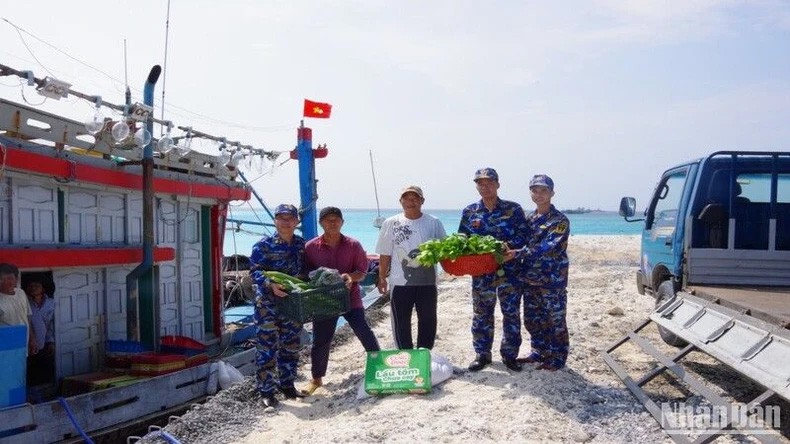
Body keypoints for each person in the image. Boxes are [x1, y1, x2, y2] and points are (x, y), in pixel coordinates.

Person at [301, 206, 380, 395]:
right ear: (321, 223)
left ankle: (380, 366)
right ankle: (316, 379)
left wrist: (351, 277)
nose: (333, 222)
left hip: (350, 298)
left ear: (342, 222)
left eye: (336, 219)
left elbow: (362, 271)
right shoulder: (310, 247)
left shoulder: (354, 245)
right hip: (324, 301)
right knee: (321, 340)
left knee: (363, 330)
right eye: (328, 219)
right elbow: (304, 274)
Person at [458, 168, 529, 372]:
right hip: (482, 273)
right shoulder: (470, 211)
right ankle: (482, 354)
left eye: (489, 183)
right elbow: (462, 239)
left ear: (498, 184)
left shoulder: (513, 209)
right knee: (482, 313)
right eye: (480, 183)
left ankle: (509, 355)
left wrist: (508, 247)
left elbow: (524, 235)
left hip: (510, 271)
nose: (484, 187)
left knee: (511, 313)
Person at [249, 204, 308, 408]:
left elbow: (306, 270)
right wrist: (270, 285)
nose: (285, 221)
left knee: (291, 346)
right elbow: (254, 273)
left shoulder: (301, 245)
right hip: (268, 304)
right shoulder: (263, 245)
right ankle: (266, 391)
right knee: (266, 347)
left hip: (292, 303)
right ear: (275, 221)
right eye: (281, 218)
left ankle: (287, 385)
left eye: (289, 218)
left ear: (296, 221)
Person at [375, 186, 447, 350]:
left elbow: (444, 250)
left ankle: (424, 354)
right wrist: (381, 278)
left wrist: (450, 269)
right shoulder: (391, 223)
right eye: (406, 198)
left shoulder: (433, 222)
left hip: (427, 282)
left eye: (415, 198)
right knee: (401, 321)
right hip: (400, 283)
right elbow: (385, 253)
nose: (411, 202)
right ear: (401, 201)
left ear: (422, 201)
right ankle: (404, 354)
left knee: (428, 320)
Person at [514, 175, 570, 371]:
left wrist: (516, 253)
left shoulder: (560, 221)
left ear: (552, 193)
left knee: (555, 320)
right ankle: (539, 351)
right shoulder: (529, 218)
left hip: (552, 280)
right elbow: (520, 240)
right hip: (530, 279)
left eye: (543, 190)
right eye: (535, 190)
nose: (538, 194)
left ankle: (557, 358)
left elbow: (546, 247)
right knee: (533, 319)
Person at [0, 263, 36, 357]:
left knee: (22, 370)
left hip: (23, 345)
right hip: (5, 349)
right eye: (3, 279)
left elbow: (27, 316)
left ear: (16, 279)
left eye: (10, 278)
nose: (7, 282)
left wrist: (32, 339)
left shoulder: (21, 293)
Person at [26, 280, 56, 385]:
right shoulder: (25, 302)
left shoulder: (51, 303)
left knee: (45, 368)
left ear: (43, 288)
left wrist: (51, 341)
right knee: (29, 370)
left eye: (37, 285)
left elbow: (51, 324)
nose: (33, 287)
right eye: (31, 285)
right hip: (28, 344)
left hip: (44, 343)